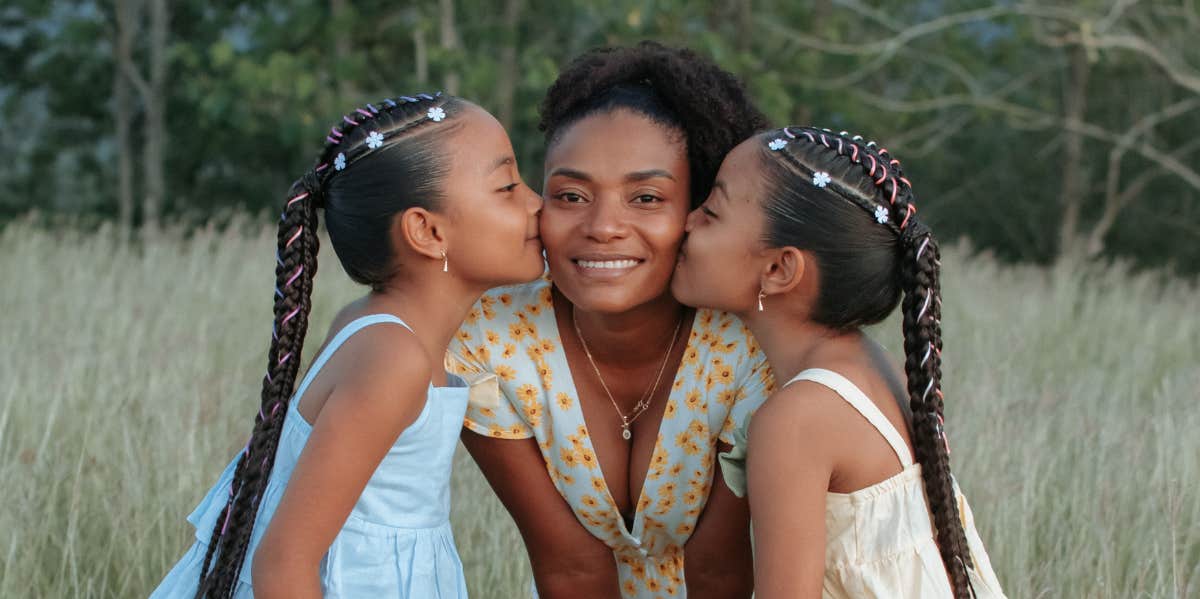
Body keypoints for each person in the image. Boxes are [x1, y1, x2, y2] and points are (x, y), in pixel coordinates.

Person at [150, 93, 545, 598]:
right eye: (508, 186)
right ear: (427, 230)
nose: (536, 202)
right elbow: (283, 567)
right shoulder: (392, 359)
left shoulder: (374, 326)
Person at [447, 42, 772, 598]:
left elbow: (721, 572)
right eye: (571, 195)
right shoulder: (490, 339)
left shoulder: (749, 346)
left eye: (646, 197)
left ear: (698, 211)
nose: (603, 227)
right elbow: (568, 564)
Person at [671, 126, 1007, 598]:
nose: (686, 222)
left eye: (711, 211)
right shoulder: (875, 365)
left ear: (779, 269)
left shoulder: (797, 419)